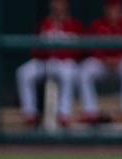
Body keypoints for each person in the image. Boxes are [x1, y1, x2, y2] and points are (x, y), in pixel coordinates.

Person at [16, 0, 84, 128]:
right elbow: (35, 50)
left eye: (61, 3)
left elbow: (79, 52)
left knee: (68, 73)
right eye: (55, 3)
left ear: (66, 6)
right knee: (24, 72)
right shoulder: (46, 24)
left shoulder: (75, 25)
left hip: (66, 64)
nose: (58, 6)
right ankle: (30, 114)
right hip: (46, 62)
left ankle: (64, 114)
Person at [78, 0, 122, 124]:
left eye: (118, 9)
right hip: (102, 64)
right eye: (112, 9)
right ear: (106, 10)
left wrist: (120, 58)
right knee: (85, 70)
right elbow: (91, 47)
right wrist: (103, 58)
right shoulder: (98, 25)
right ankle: (90, 111)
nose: (114, 12)